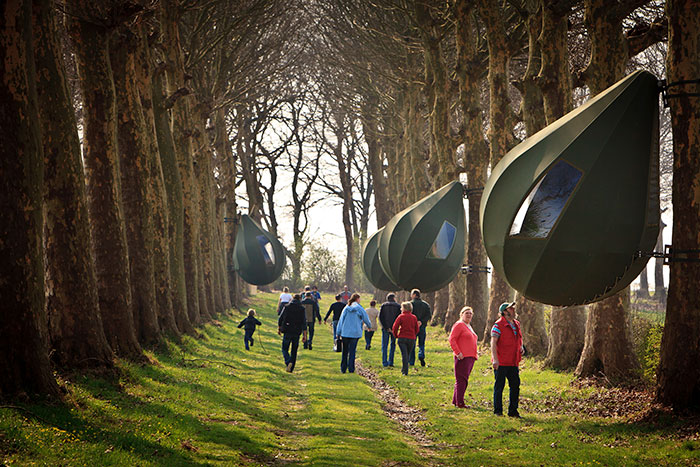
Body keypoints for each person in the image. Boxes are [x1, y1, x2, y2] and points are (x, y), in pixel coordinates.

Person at [491, 301, 523, 417]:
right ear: (504, 312)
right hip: (501, 361)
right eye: (510, 308)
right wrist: (495, 359)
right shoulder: (497, 325)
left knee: (515, 386)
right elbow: (493, 343)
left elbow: (519, 338)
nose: (513, 310)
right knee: (499, 386)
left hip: (513, 361)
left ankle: (513, 411)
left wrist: (521, 347)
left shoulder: (517, 324)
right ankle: (498, 411)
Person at [448, 306, 478, 408]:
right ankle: (460, 403)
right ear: (461, 314)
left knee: (463, 379)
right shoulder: (459, 325)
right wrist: (457, 352)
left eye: (470, 313)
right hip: (462, 357)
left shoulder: (468, 326)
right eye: (466, 313)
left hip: (470, 357)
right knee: (462, 380)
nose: (469, 315)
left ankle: (455, 401)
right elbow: (452, 339)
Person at [335, 293, 371, 373]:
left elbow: (341, 320)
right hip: (355, 333)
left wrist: (338, 331)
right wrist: (369, 326)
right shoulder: (359, 308)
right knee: (352, 351)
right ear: (357, 299)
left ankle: (343, 368)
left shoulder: (346, 308)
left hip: (345, 333)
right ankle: (351, 368)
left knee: (345, 351)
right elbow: (365, 317)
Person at [278, 294, 308, 372]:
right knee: (294, 350)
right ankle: (291, 367)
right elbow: (304, 323)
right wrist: (305, 335)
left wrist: (279, 328)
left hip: (287, 330)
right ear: (300, 299)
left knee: (284, 348)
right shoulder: (302, 309)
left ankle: (288, 361)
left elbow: (280, 318)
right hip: (297, 332)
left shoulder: (287, 307)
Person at [392, 302, 421, 376]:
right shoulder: (414, 317)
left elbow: (395, 327)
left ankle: (405, 371)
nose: (401, 309)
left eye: (401, 308)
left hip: (402, 338)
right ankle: (404, 369)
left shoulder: (401, 317)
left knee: (404, 355)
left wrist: (396, 335)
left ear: (404, 308)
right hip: (411, 338)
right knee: (407, 354)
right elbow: (417, 329)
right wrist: (414, 334)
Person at [408, 289, 432, 367]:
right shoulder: (425, 305)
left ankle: (411, 361)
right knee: (421, 343)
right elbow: (428, 315)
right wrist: (421, 321)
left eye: (412, 294)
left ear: (414, 295)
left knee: (412, 343)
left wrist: (415, 322)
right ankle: (421, 355)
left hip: (412, 327)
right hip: (422, 327)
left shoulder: (410, 304)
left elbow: (408, 314)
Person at [379, 293, 401, 367]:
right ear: (394, 298)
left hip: (385, 328)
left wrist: (386, 327)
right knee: (393, 344)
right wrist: (394, 327)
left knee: (384, 345)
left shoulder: (383, 306)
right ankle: (391, 361)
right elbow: (399, 318)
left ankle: (384, 362)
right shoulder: (398, 306)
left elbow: (381, 317)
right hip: (394, 328)